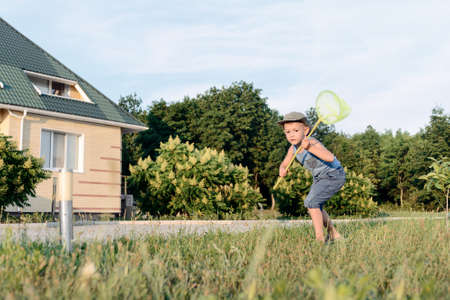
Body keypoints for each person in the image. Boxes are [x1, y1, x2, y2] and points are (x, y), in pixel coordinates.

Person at [278, 112, 345, 242]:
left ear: (306, 130)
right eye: (287, 132)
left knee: (311, 203)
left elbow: (330, 157)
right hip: (320, 177)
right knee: (315, 205)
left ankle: (320, 239)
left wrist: (309, 148)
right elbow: (285, 163)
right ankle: (334, 234)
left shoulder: (311, 142)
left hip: (333, 174)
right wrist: (282, 169)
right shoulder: (292, 149)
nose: (291, 134)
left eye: (296, 130)